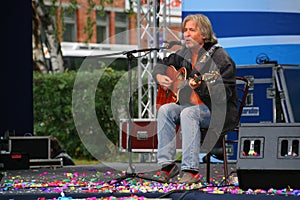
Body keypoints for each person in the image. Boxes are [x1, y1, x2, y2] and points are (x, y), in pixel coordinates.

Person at [152, 14, 238, 184]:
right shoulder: (183, 53)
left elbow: (223, 95)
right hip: (191, 108)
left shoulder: (220, 58)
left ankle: (190, 170)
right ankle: (167, 166)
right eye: (185, 30)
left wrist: (199, 85)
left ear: (204, 34)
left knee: (189, 113)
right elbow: (161, 65)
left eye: (192, 30)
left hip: (217, 112)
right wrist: (159, 76)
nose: (187, 34)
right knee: (165, 110)